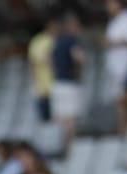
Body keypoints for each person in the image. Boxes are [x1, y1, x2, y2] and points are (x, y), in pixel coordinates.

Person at [51, 11, 86, 151]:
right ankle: (70, 149)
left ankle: (62, 148)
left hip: (58, 83)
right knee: (71, 120)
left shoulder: (57, 42)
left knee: (61, 119)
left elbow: (50, 61)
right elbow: (80, 58)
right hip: (70, 83)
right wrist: (79, 69)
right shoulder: (72, 41)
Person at [105, 0, 127, 130]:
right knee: (119, 102)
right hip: (115, 68)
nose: (108, 7)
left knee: (125, 99)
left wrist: (113, 42)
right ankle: (123, 131)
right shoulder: (113, 21)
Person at [30, 13, 57, 123]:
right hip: (43, 88)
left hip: (58, 86)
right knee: (45, 120)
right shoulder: (39, 41)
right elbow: (35, 61)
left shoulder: (59, 40)